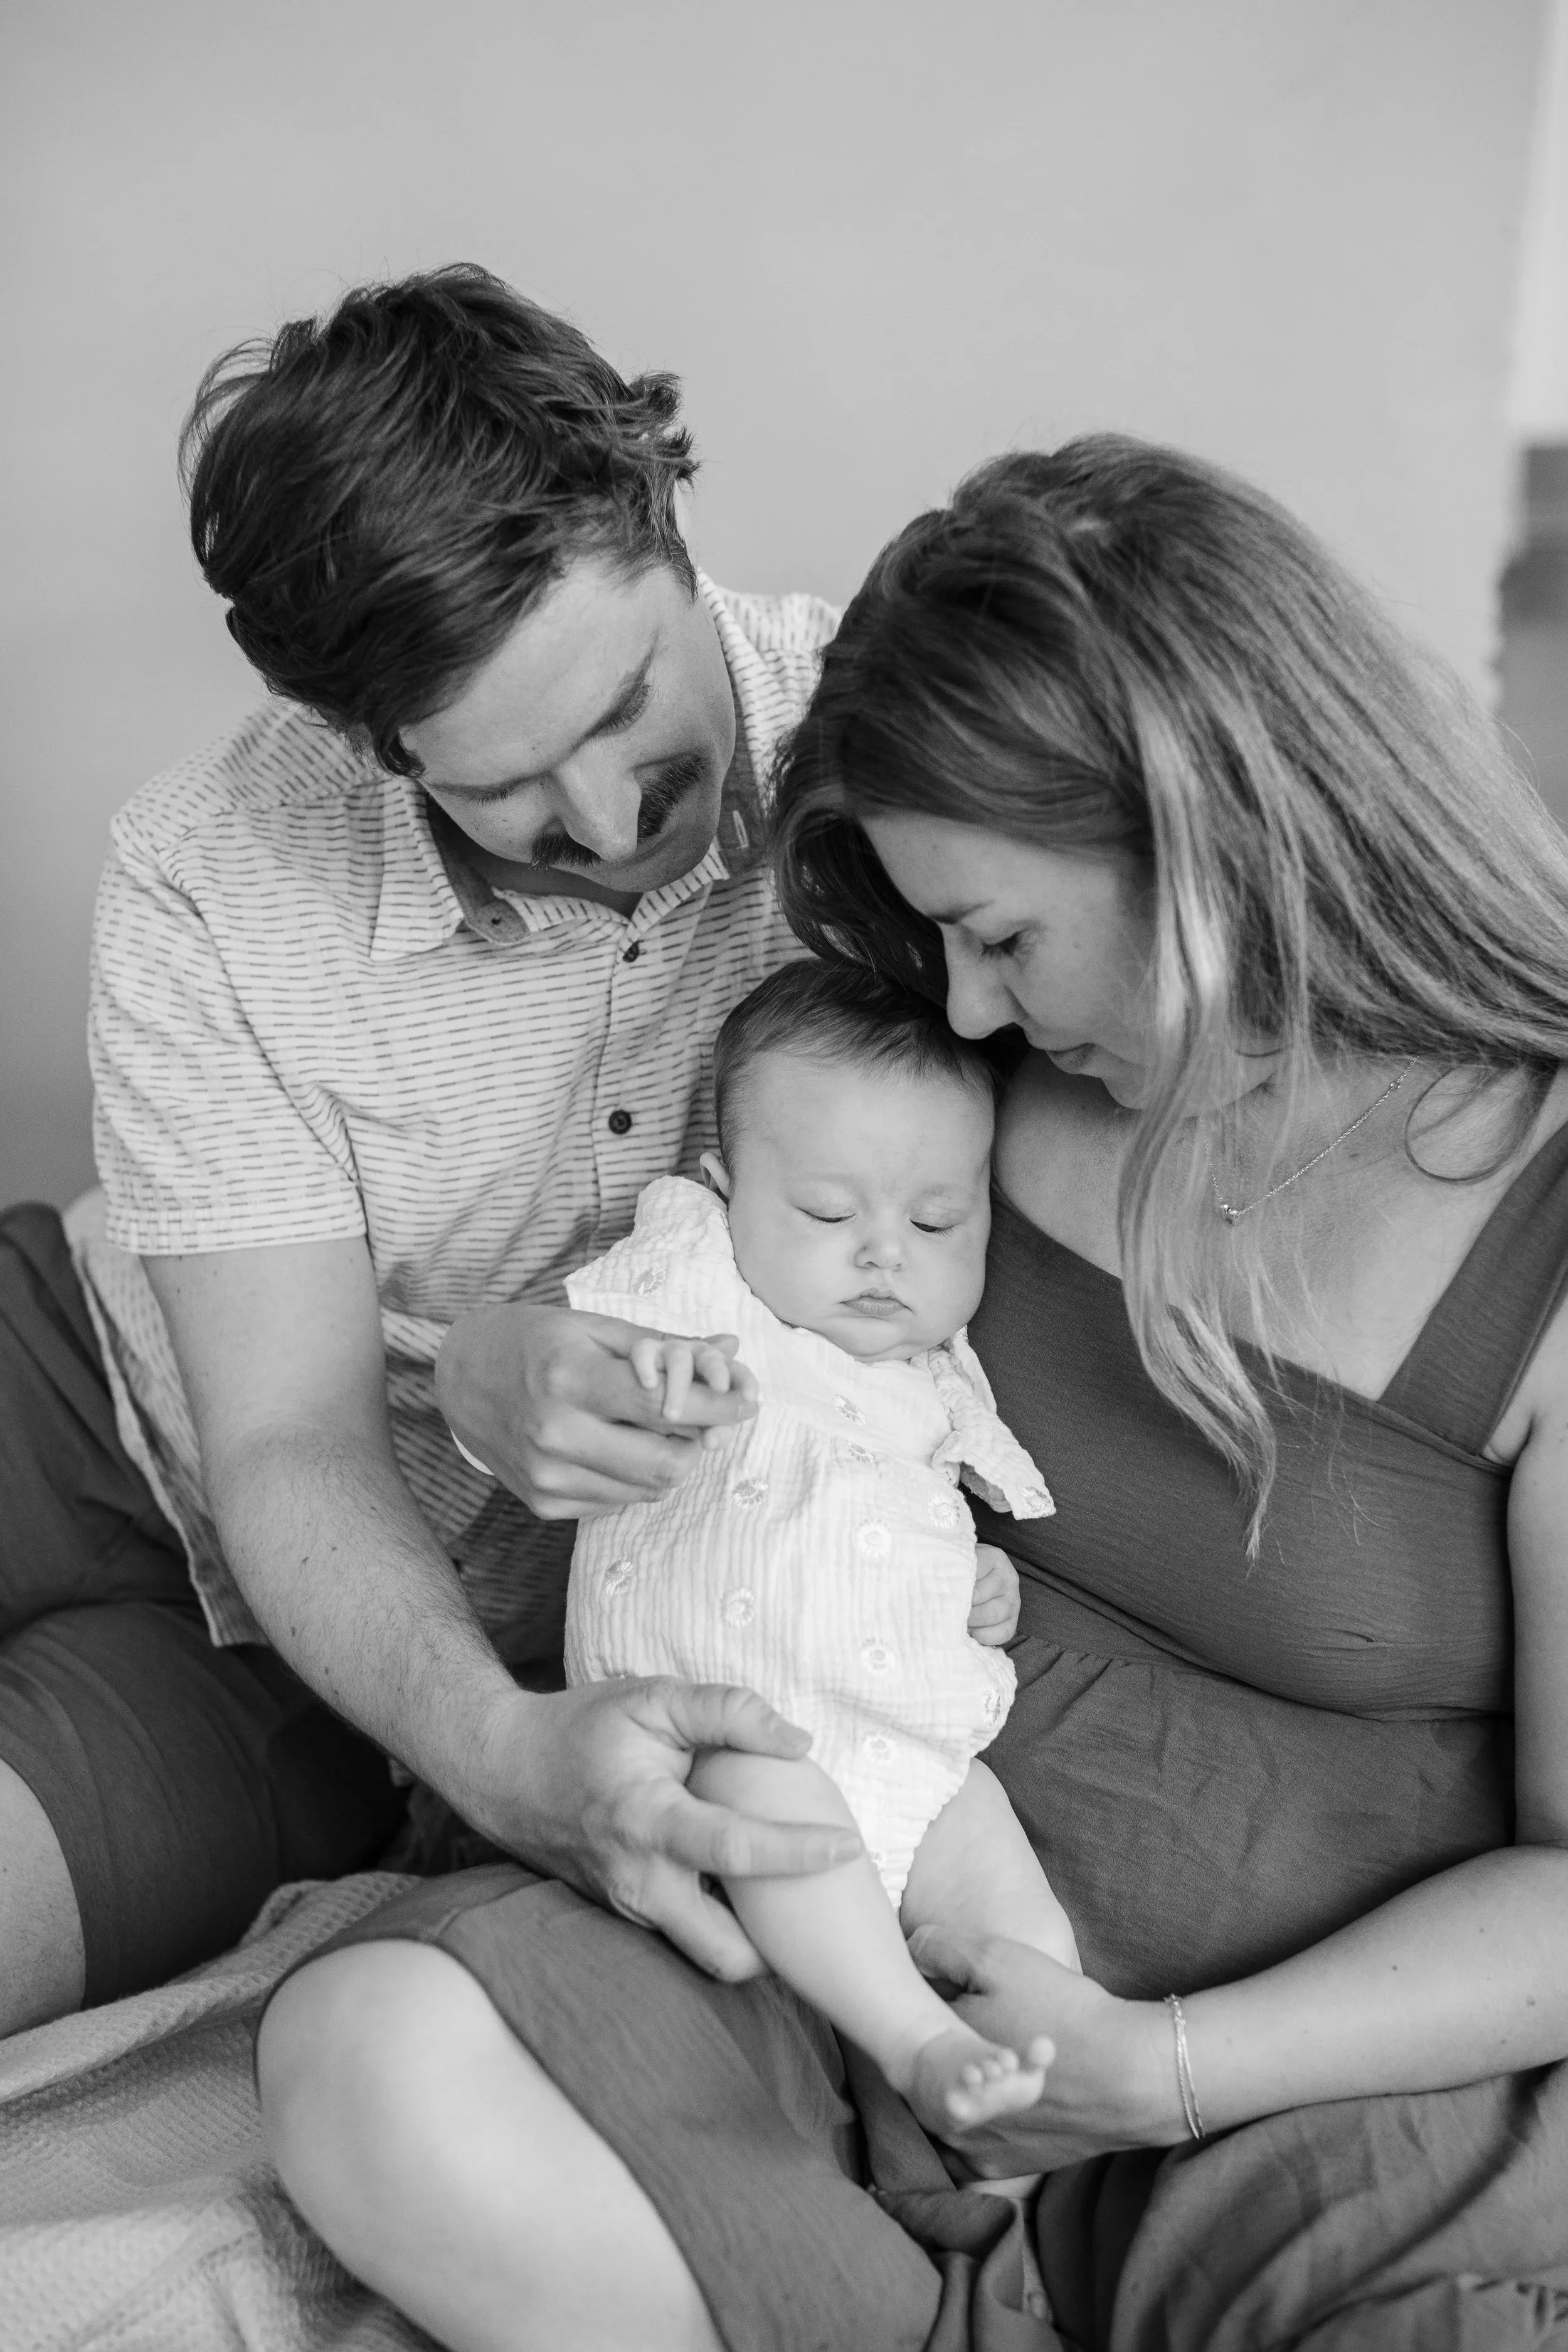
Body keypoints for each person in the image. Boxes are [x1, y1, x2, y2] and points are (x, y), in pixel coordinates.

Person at [258, 434, 1568, 2352]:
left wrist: (1163, 2065)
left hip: (1294, 2083)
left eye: (1001, 933)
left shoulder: (1536, 1226)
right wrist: (486, 1366)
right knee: (370, 2049)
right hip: (835, 1937)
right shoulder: (1001, 1086)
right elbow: (698, 1317)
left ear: (1202, 827)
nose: (955, 1007)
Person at [0, 262, 852, 2036]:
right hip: (68, 1372)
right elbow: (287, 1424)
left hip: (331, 1655)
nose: (611, 823)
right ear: (371, 748)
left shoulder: (900, 777)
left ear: (664, 513)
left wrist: (503, 1750)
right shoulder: (208, 861)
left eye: (625, 702)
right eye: (508, 787)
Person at [563, 960, 1074, 2136]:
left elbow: (917, 1525)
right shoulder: (700, 1287)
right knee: (770, 1798)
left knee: (1024, 1919)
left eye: (938, 1218)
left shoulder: (938, 1382)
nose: (885, 1252)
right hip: (723, 1748)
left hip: (907, 1756)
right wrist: (644, 1366)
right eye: (832, 1215)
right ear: (724, 1191)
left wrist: (974, 1578)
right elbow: (571, 1371)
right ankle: (918, 2044)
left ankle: (1022, 2151)